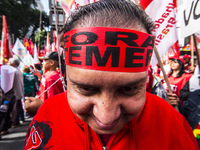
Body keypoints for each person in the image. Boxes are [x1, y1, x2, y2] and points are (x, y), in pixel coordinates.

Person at [24, 1, 198, 149]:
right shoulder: (47, 113)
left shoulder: (171, 123)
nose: (106, 118)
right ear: (66, 73)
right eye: (86, 88)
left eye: (129, 89)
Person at [8, 58, 24, 127]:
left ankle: (16, 121)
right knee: (18, 106)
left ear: (13, 64)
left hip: (15, 92)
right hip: (19, 91)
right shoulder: (18, 71)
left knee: (15, 107)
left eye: (9, 62)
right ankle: (21, 118)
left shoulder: (13, 71)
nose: (8, 63)